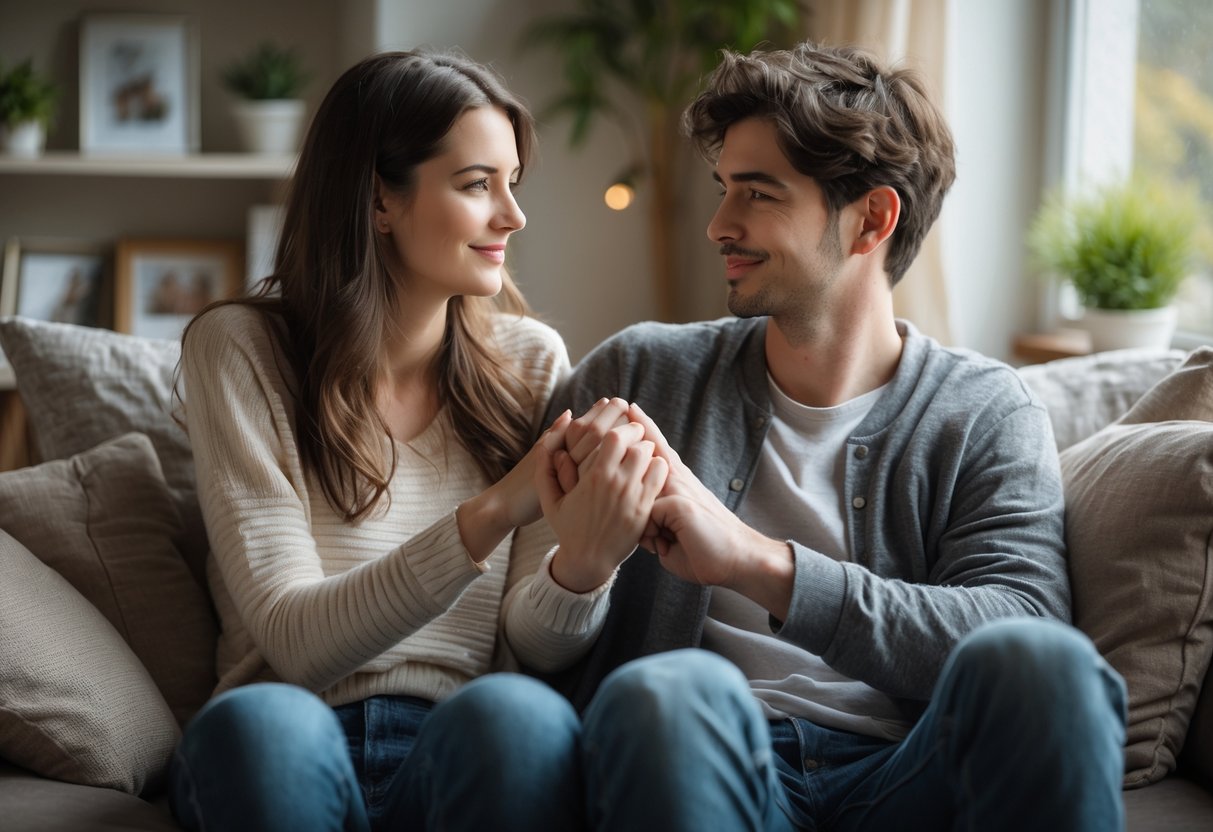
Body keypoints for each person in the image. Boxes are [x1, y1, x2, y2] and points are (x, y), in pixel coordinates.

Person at [502, 41, 1128, 830]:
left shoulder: (982, 409)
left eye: (757, 194)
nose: (718, 225)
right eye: (724, 189)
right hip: (705, 762)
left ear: (871, 219)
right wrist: (581, 570)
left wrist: (755, 563)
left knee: (1047, 668)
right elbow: (523, 641)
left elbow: (1017, 620)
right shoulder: (638, 374)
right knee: (672, 691)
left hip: (903, 779)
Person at [169, 49, 664, 832]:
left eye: (512, 184)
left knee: (518, 718)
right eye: (477, 186)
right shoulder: (240, 349)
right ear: (378, 202)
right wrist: (496, 508)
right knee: (260, 726)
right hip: (288, 736)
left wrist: (586, 565)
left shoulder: (532, 362)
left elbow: (534, 646)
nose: (513, 216)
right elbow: (297, 643)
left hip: (456, 745)